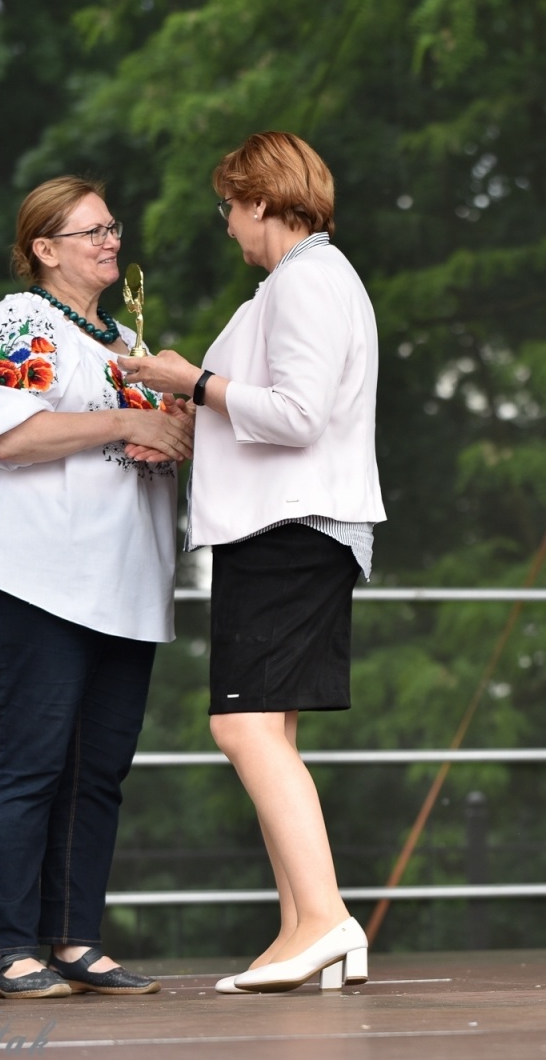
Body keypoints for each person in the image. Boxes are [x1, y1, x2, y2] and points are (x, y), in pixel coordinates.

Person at [120, 131, 384, 994]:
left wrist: (191, 382)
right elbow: (278, 414)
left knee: (242, 728)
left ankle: (327, 917)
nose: (228, 224)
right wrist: (193, 420)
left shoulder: (307, 280)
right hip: (289, 527)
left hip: (289, 531)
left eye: (230, 207)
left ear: (263, 201)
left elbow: (299, 415)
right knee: (269, 732)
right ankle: (304, 927)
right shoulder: (301, 283)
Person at [0, 176, 194, 998]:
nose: (111, 240)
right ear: (44, 249)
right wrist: (129, 421)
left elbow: (141, 441)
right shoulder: (21, 321)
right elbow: (11, 437)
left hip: (123, 582)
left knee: (98, 772)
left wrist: (173, 431)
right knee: (30, 764)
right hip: (34, 576)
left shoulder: (128, 340)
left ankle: (76, 940)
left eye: (113, 227)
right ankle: (10, 947)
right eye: (92, 231)